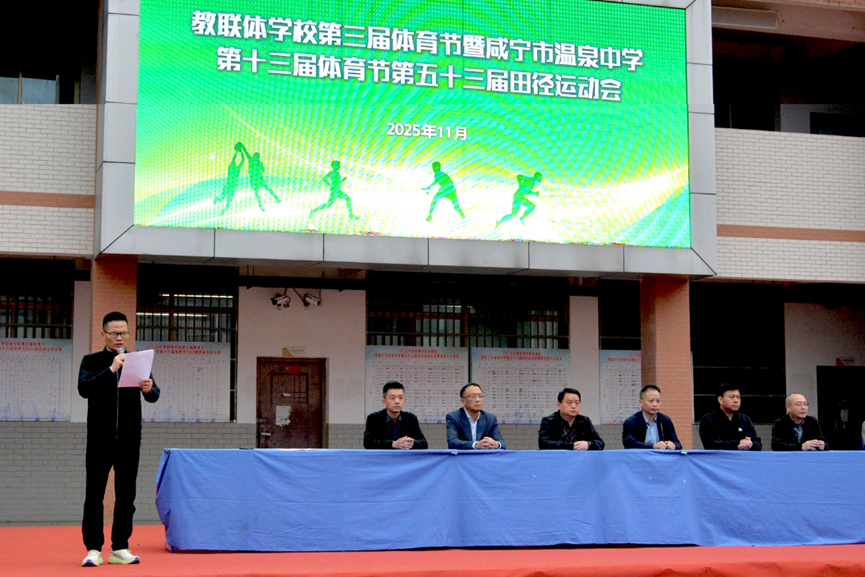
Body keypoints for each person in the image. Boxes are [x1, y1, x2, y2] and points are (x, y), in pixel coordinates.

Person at [78, 312, 160, 567]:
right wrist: (112, 368)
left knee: (126, 496)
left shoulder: (137, 361)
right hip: (99, 440)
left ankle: (120, 547)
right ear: (103, 334)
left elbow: (154, 394)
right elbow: (84, 389)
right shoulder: (91, 361)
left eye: (123, 333)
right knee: (95, 495)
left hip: (129, 439)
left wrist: (149, 388)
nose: (119, 337)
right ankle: (93, 549)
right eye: (114, 333)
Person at [363, 381, 428, 449]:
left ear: (404, 400)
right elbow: (368, 443)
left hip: (404, 455)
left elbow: (424, 443)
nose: (397, 401)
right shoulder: (374, 418)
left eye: (400, 398)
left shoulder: (410, 418)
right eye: (392, 398)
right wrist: (393, 444)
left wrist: (411, 443)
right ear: (384, 401)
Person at [698, 384, 762, 451]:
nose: (736, 400)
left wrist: (749, 444)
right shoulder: (708, 420)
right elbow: (710, 445)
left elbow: (758, 444)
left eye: (738, 397)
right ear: (720, 400)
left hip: (742, 457)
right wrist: (738, 444)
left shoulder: (745, 419)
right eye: (732, 397)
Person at [538, 388, 604, 450]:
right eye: (569, 402)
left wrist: (588, 444)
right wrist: (573, 446)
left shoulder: (584, 421)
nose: (574, 406)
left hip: (579, 457)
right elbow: (544, 443)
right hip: (557, 457)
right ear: (559, 405)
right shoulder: (549, 421)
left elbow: (600, 443)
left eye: (577, 403)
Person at [446, 383, 506, 450]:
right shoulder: (453, 417)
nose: (478, 400)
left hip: (483, 456)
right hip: (463, 456)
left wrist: (496, 444)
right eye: (473, 397)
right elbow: (452, 442)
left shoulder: (490, 418)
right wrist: (476, 445)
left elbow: (502, 443)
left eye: (480, 396)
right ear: (463, 401)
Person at [622, 384, 682, 450]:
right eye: (651, 401)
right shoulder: (631, 422)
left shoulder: (665, 420)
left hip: (661, 456)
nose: (655, 404)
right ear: (641, 402)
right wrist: (653, 446)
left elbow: (678, 444)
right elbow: (629, 443)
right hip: (640, 456)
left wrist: (673, 445)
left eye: (658, 401)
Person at [238, 143, 281, 211]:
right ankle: (264, 203)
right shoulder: (252, 160)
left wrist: (260, 166)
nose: (256, 158)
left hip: (257, 178)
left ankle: (274, 199)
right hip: (255, 178)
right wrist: (242, 147)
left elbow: (263, 170)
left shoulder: (255, 161)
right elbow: (246, 152)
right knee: (259, 191)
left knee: (261, 190)